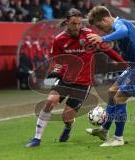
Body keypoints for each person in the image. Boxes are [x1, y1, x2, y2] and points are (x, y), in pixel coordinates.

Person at [26, 8, 125, 147]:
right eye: (74, 23)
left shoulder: (89, 35)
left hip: (83, 83)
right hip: (65, 79)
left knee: (66, 117)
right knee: (50, 100)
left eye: (79, 23)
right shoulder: (59, 39)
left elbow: (107, 50)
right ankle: (36, 138)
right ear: (67, 22)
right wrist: (56, 70)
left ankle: (68, 127)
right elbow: (55, 60)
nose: (77, 26)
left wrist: (124, 64)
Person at [85, 6, 135, 147]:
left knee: (120, 97)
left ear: (106, 19)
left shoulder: (120, 23)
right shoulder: (119, 26)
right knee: (112, 91)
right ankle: (104, 130)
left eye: (100, 26)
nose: (101, 30)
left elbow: (123, 31)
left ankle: (118, 138)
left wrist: (103, 38)